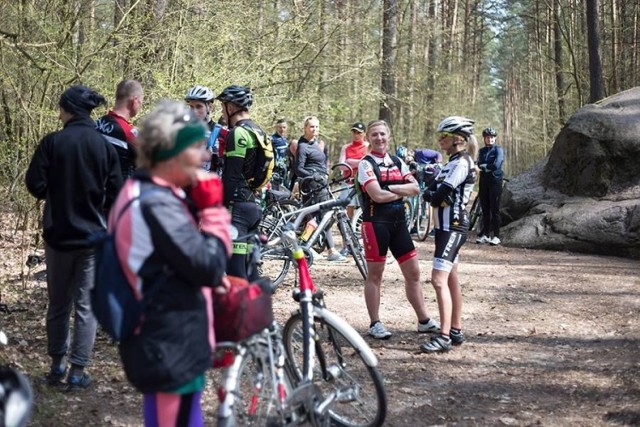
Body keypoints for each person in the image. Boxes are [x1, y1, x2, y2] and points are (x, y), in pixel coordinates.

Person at [114, 100, 231, 426]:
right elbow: (209, 265)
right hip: (168, 340)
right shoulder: (156, 204)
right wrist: (213, 212)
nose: (206, 157)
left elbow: (176, 260)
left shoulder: (144, 190)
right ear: (173, 152)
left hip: (164, 336)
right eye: (197, 148)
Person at [25, 85, 122, 390]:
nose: (58, 112)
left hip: (58, 236)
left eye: (60, 107)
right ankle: (78, 372)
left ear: (69, 109)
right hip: (93, 238)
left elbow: (34, 184)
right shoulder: (104, 146)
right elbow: (117, 192)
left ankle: (56, 367)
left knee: (58, 304)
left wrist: (55, 195)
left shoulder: (53, 142)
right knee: (86, 306)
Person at [357, 120, 440, 339]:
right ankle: (375, 323)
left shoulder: (397, 161)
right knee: (375, 276)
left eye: (382, 134)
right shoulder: (365, 164)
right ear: (368, 138)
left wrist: (391, 188)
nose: (379, 138)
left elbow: (415, 188)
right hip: (375, 225)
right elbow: (377, 195)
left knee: (413, 273)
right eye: (374, 134)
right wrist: (400, 191)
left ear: (389, 136)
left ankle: (423, 320)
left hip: (399, 225)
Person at [420, 116, 477, 353]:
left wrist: (435, 196)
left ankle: (443, 337)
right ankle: (455, 329)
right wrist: (434, 195)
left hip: (453, 227)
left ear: (457, 139)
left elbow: (438, 194)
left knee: (438, 280)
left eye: (443, 136)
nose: (439, 140)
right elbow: (429, 192)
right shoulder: (450, 162)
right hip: (444, 228)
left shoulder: (462, 163)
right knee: (451, 278)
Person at [217, 85, 265, 279]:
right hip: (253, 206)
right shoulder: (259, 130)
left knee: (235, 274)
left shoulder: (237, 133)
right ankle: (257, 309)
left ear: (231, 108)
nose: (222, 112)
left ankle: (243, 309)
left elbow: (232, 177)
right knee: (250, 272)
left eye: (223, 107)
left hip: (237, 209)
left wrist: (219, 209)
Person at [295, 116, 345, 262]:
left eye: (317, 127)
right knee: (322, 215)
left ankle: (305, 246)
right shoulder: (303, 146)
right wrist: (314, 176)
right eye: (311, 127)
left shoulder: (317, 144)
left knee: (318, 217)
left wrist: (325, 175)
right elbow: (298, 169)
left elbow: (323, 163)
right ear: (305, 128)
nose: (315, 129)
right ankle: (331, 250)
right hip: (311, 185)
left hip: (321, 184)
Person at [95, 79, 144, 179]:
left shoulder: (96, 123)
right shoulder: (130, 133)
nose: (140, 107)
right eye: (140, 103)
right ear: (134, 101)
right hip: (117, 190)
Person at [475, 127, 504, 246]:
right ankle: (485, 235)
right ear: (484, 139)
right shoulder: (482, 151)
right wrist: (485, 166)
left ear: (495, 138)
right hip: (483, 181)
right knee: (485, 209)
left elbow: (497, 164)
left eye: (492, 137)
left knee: (495, 209)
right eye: (487, 137)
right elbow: (477, 163)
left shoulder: (498, 150)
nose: (490, 139)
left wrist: (484, 166)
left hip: (495, 181)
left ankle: (496, 236)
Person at [184, 85, 222, 173]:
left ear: (210, 107)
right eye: (191, 107)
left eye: (199, 106)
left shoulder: (220, 132)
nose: (194, 111)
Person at [271, 118, 290, 187]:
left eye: (284, 127)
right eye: (280, 127)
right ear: (276, 128)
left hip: (285, 169)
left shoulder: (285, 140)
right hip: (275, 170)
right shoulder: (272, 139)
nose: (282, 130)